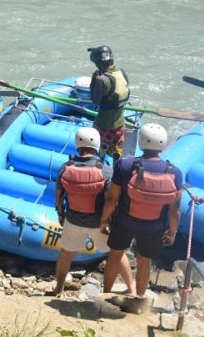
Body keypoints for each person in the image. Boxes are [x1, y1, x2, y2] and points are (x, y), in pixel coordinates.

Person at [100, 123, 183, 303]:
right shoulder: (174, 172)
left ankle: (106, 295)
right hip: (154, 226)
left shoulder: (125, 164)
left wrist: (104, 220)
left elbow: (112, 198)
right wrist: (172, 232)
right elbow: (174, 209)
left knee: (115, 254)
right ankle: (138, 299)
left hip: (124, 221)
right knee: (144, 261)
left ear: (141, 141)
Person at [51, 127, 135, 296]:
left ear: (78, 144)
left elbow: (59, 194)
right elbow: (111, 200)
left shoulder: (65, 167)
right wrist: (108, 221)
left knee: (66, 255)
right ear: (97, 144)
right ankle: (132, 289)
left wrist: (61, 214)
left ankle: (58, 289)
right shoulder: (104, 170)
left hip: (73, 220)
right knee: (116, 253)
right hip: (99, 223)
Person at [88, 46, 130, 161]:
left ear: (99, 64)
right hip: (120, 125)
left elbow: (95, 101)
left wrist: (94, 80)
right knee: (117, 155)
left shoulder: (102, 79)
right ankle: (118, 176)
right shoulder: (122, 73)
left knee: (96, 154)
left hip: (104, 126)